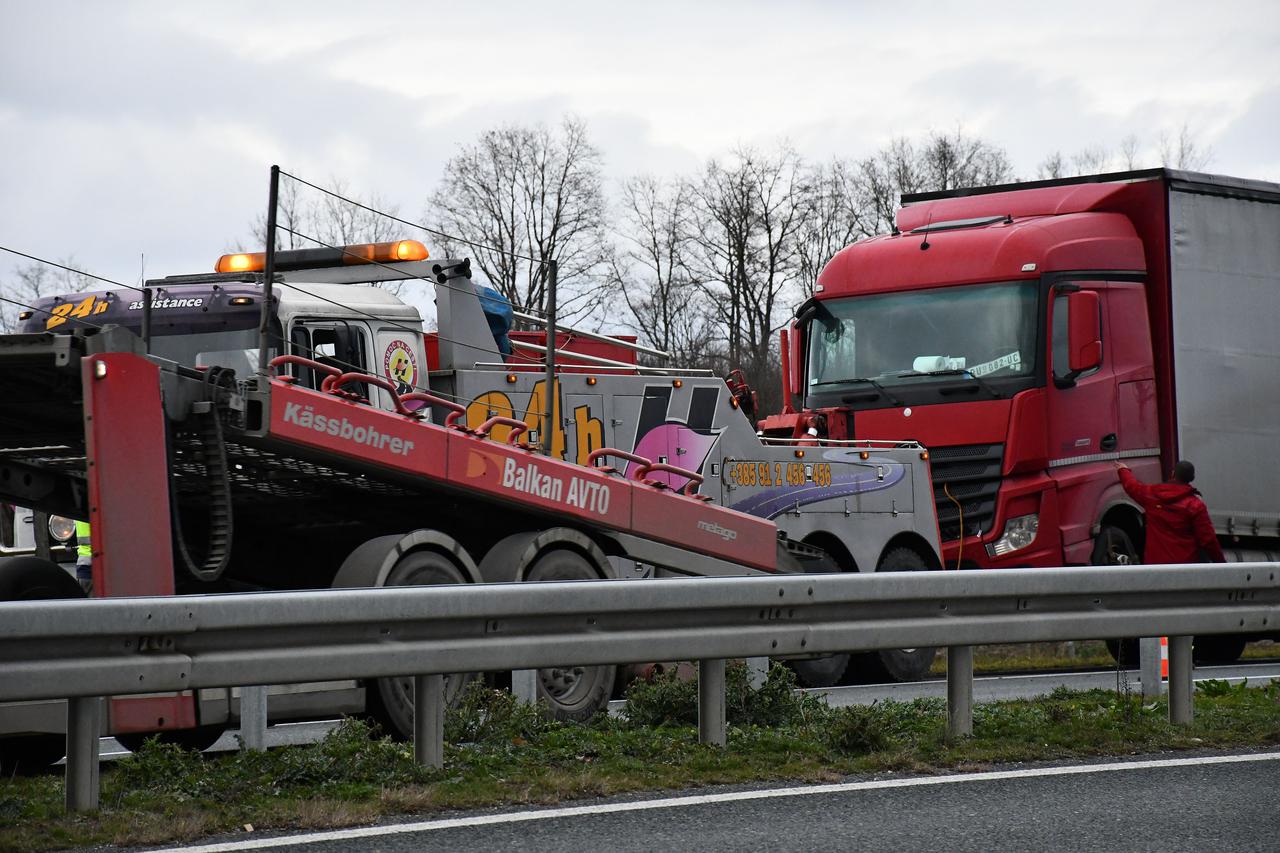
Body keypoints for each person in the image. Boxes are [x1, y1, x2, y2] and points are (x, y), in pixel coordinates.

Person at [1114, 460, 1225, 564]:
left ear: (1172, 474)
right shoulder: (1195, 505)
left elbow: (1132, 487)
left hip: (1155, 566)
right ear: (1192, 478)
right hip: (1185, 567)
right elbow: (1208, 540)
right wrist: (1222, 565)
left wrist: (1123, 470)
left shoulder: (1151, 495)